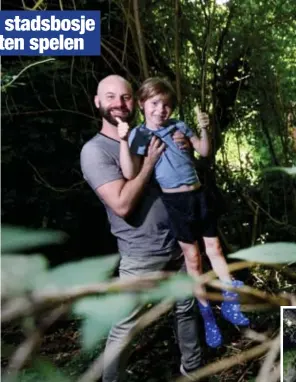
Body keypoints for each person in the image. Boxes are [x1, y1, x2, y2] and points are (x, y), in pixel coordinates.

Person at [80, 74, 202, 381]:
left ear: (136, 102)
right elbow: (121, 204)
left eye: (125, 97)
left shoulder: (149, 133)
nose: (119, 104)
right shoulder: (95, 151)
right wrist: (148, 165)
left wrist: (184, 145)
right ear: (98, 102)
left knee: (186, 309)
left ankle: (193, 371)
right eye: (110, 97)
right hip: (142, 254)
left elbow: (182, 175)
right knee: (125, 325)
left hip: (179, 240)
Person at [116, 77, 249, 349]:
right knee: (193, 260)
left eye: (166, 104)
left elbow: (204, 151)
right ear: (142, 104)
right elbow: (130, 173)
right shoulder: (140, 134)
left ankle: (231, 303)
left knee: (215, 250)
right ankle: (207, 316)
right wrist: (124, 139)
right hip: (175, 202)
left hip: (198, 195)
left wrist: (203, 129)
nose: (160, 109)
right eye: (154, 103)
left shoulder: (178, 125)